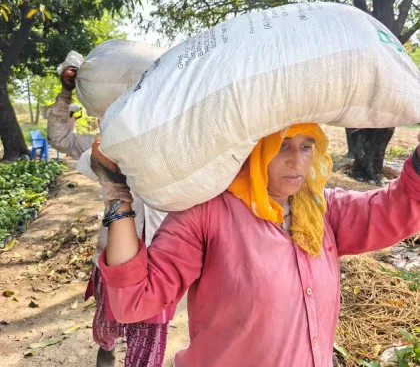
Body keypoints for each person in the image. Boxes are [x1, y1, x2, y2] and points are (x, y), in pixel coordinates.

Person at [92, 123, 420, 367]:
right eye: (282, 146)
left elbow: (396, 210)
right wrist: (117, 192)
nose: (297, 162)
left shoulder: (321, 210)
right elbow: (135, 300)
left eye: (307, 146)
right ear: (254, 148)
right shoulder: (208, 214)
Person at [47, 66, 173, 367]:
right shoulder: (102, 149)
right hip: (112, 259)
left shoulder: (170, 145)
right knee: (107, 339)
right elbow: (60, 138)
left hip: (157, 265)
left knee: (146, 350)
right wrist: (66, 92)